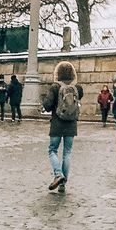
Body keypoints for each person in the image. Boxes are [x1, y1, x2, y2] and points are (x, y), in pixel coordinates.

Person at [42, 61, 82, 192]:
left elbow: (47, 106)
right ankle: (63, 184)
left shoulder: (55, 87)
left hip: (57, 123)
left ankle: (58, 174)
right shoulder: (78, 88)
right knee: (67, 153)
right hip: (71, 124)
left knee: (52, 150)